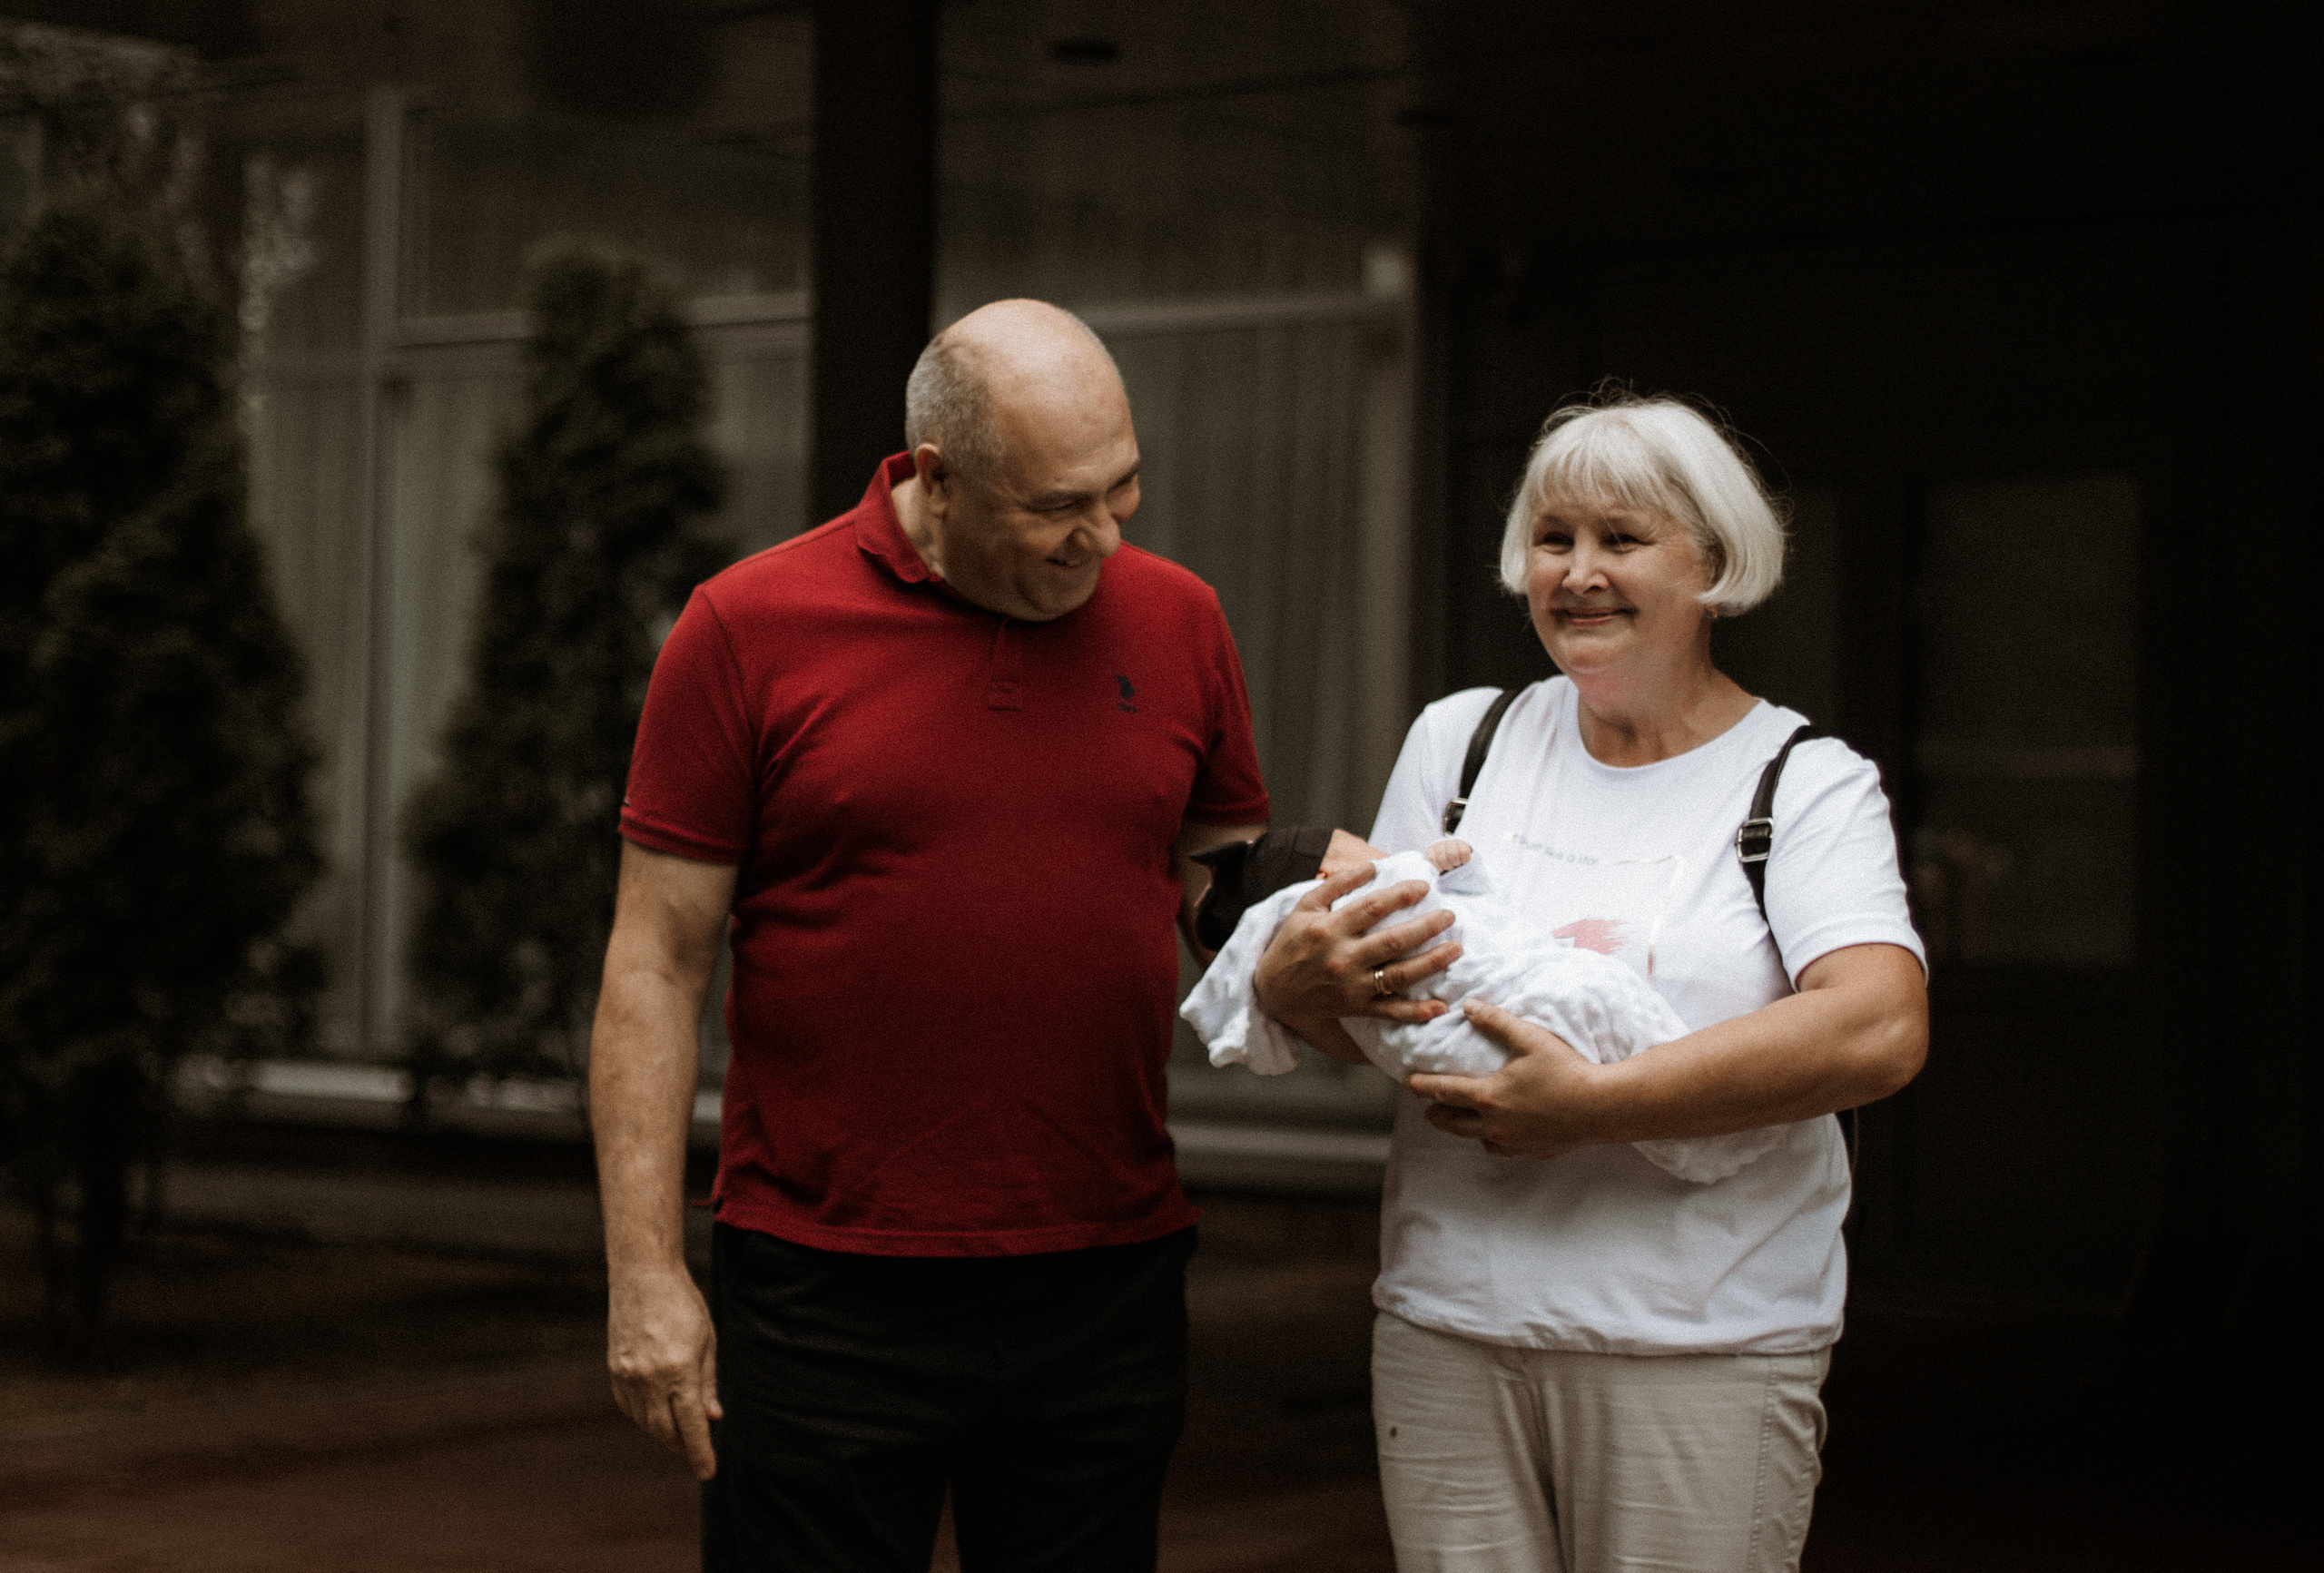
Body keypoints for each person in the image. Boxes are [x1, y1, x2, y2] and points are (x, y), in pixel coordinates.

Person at [588, 299, 1269, 1573]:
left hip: (1104, 1272)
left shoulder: (1181, 619)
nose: (1104, 534)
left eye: (1123, 487)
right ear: (939, 477)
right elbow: (653, 964)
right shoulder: (746, 627)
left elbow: (1219, 881)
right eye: (1059, 505)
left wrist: (1318, 936)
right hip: (826, 1284)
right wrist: (645, 1272)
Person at [1251, 393, 1928, 1573]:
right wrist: (1293, 986)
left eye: (1621, 538)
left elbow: (1877, 1028)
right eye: (1553, 538)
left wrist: (1595, 1106)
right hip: (1450, 1324)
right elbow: (1397, 1021)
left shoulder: (1801, 782)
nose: (1578, 573)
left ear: (1712, 563)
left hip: (1701, 1341)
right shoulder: (1463, 746)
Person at [1180, 835, 1785, 1185]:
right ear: (1328, 876)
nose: (1378, 845)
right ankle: (1708, 1129)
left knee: (1597, 1020)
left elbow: (1475, 906)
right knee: (1597, 1002)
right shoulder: (1358, 900)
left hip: (1464, 1020)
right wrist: (1436, 861)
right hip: (1497, 1002)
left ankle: (1696, 1128)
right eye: (1354, 846)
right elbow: (1417, 888)